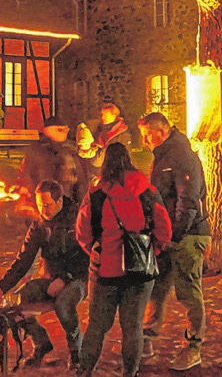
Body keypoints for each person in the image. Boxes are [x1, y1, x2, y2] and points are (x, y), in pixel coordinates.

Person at [75, 143, 172, 377]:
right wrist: (151, 251)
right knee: (133, 327)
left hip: (105, 270)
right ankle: (130, 372)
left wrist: (97, 251)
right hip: (140, 271)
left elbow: (82, 232)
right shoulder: (148, 191)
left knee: (97, 326)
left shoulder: (97, 194)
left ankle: (85, 370)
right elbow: (164, 229)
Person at [0, 179, 89, 369]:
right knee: (18, 301)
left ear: (59, 202)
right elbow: (23, 260)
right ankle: (41, 343)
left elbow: (87, 255)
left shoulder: (78, 218)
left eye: (47, 205)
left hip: (78, 278)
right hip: (49, 278)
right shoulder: (39, 225)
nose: (43, 210)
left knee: (63, 303)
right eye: (40, 205)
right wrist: (1, 287)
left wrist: (66, 278)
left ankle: (77, 352)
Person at [138, 112, 210, 371]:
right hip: (166, 235)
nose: (144, 141)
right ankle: (146, 337)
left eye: (147, 135)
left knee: (188, 290)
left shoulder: (181, 156)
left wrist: (174, 235)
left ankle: (193, 346)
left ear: (162, 130)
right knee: (156, 285)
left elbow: (187, 200)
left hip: (187, 236)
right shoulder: (163, 157)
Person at [22, 116, 89, 202]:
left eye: (66, 129)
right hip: (49, 202)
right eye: (60, 130)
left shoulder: (73, 149)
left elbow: (82, 177)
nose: (65, 133)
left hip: (73, 200)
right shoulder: (38, 151)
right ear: (47, 131)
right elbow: (28, 176)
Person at [78, 102, 132, 181]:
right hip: (95, 172)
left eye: (105, 114)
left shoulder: (122, 133)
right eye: (101, 114)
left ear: (114, 115)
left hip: (114, 174)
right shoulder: (97, 130)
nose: (102, 117)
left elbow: (124, 155)